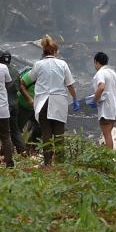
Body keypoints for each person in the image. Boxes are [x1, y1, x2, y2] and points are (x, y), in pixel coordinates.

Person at [29, 35, 77, 166]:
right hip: (59, 103)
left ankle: (48, 163)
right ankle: (61, 162)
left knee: (46, 134)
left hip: (43, 102)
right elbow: (69, 85)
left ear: (43, 51)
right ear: (55, 51)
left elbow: (29, 79)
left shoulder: (38, 65)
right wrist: (75, 99)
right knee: (59, 134)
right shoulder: (62, 64)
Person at [91, 51, 116, 150]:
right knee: (109, 133)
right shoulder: (112, 72)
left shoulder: (100, 73)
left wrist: (94, 100)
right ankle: (109, 154)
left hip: (106, 108)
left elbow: (101, 87)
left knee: (107, 134)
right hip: (114, 107)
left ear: (96, 62)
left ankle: (108, 156)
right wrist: (113, 93)